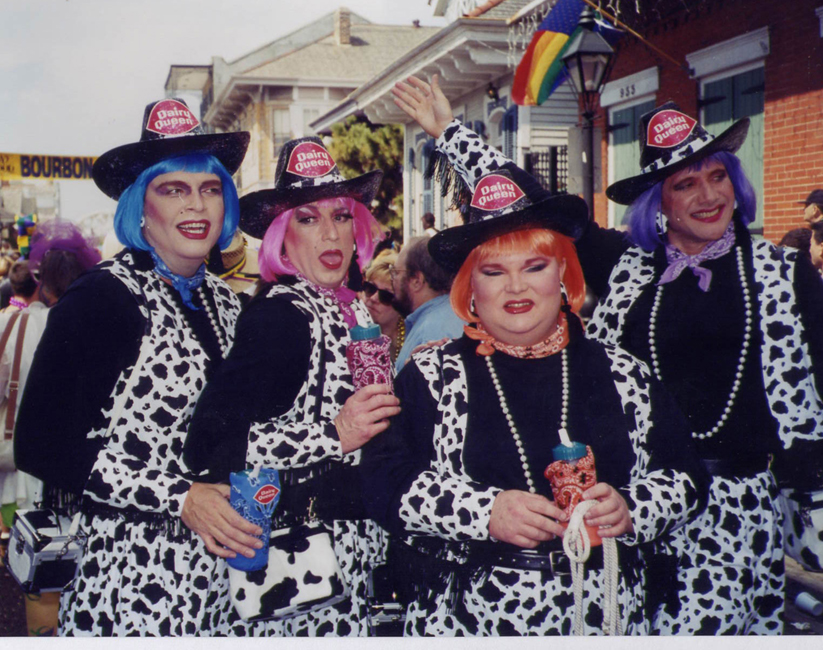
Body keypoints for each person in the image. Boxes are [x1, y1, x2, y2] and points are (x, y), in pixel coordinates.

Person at [392, 75, 823, 634]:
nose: (708, 196)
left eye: (718, 176)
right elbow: (532, 207)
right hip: (623, 512)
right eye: (686, 184)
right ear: (659, 202)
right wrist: (451, 133)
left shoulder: (781, 272)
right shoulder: (627, 264)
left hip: (730, 511)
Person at [360, 168, 709, 636]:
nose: (516, 287)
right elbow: (381, 480)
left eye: (534, 267)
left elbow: (687, 477)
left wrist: (632, 508)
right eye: (494, 272)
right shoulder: (431, 376)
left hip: (603, 615)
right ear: (469, 284)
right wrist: (482, 512)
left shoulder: (623, 372)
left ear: (562, 272)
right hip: (468, 622)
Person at [14, 98, 254, 636]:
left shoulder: (227, 302)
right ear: (140, 206)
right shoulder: (101, 297)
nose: (196, 205)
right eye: (173, 189)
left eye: (209, 188)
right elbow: (40, 443)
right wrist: (178, 496)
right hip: (127, 582)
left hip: (222, 587)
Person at [184, 136, 401, 636]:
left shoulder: (350, 308)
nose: (329, 233)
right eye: (307, 219)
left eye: (341, 216)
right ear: (282, 237)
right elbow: (210, 444)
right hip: (296, 581)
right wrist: (333, 434)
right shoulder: (281, 317)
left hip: (353, 565)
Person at [0, 221, 101, 636]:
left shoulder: (12, 325)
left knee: (38, 579)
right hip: (89, 481)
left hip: (22, 477)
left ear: (43, 281)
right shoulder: (97, 326)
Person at [391, 236, 465, 370]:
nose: (393, 279)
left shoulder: (433, 331)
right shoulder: (447, 315)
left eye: (396, 272)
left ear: (417, 281)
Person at [362, 250, 405, 365]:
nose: (373, 298)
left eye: (386, 296)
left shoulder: (411, 341)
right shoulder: (347, 328)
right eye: (370, 288)